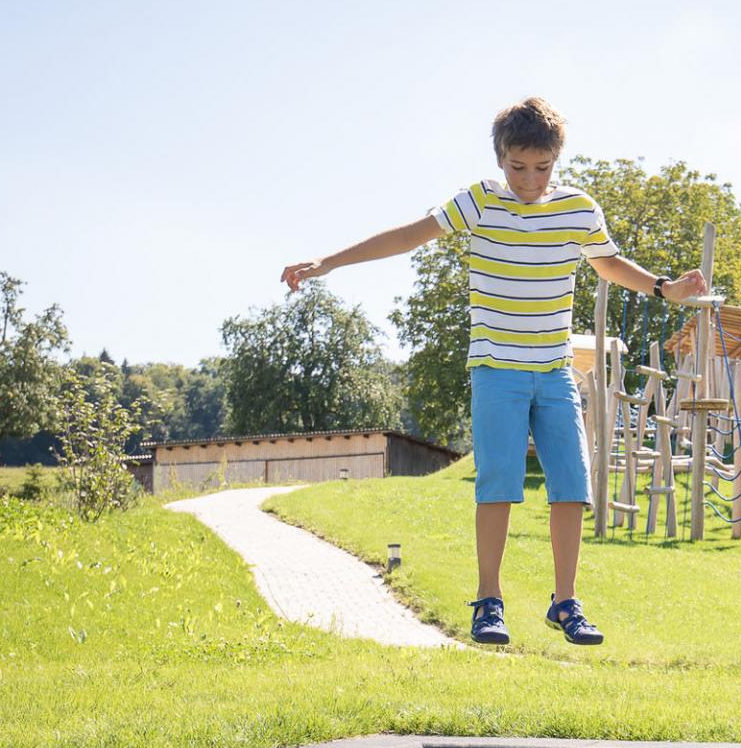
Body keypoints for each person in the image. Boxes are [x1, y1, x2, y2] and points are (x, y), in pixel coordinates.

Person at [281, 97, 708, 646]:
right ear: (500, 158)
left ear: (557, 160)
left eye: (542, 167)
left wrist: (663, 287)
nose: (530, 180)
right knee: (499, 485)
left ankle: (566, 602)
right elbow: (409, 235)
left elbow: (606, 262)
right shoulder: (479, 203)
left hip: (554, 372)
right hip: (496, 369)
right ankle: (489, 600)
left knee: (572, 485)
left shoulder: (579, 209)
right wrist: (329, 262)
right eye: (518, 167)